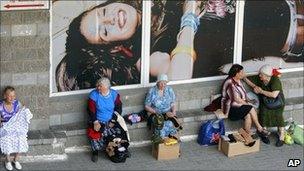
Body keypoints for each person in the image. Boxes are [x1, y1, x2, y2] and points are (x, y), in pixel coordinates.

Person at [56, 0, 143, 91]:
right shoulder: (150, 55)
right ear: (115, 48)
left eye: (104, 12)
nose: (111, 19)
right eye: (105, 31)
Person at [220, 64, 270, 144]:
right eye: (242, 72)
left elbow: (243, 93)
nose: (244, 73)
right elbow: (237, 99)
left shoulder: (237, 80)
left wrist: (249, 100)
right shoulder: (229, 83)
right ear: (237, 73)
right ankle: (260, 128)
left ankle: (247, 135)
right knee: (250, 108)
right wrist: (248, 104)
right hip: (231, 109)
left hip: (238, 105)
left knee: (248, 115)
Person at [87, 77, 129, 162]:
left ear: (107, 87)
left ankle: (119, 149)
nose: (98, 87)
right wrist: (95, 122)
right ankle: (95, 152)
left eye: (100, 86)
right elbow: (91, 110)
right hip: (98, 120)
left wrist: (113, 120)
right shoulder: (94, 95)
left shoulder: (114, 94)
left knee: (119, 131)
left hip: (112, 119)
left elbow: (118, 108)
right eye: (98, 85)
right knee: (95, 132)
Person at [243, 64, 286, 147]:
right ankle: (264, 133)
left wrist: (261, 91)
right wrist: (255, 86)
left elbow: (274, 95)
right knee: (263, 114)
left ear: (267, 76)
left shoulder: (275, 80)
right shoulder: (260, 79)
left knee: (279, 116)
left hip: (277, 102)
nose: (259, 76)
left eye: (261, 74)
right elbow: (247, 79)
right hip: (265, 101)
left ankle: (282, 136)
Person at [0, 86, 33, 171]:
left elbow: (21, 113)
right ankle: (7, 160)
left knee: (21, 137)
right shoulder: (0, 106)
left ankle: (16, 159)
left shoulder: (17, 103)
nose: (12, 98)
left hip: (16, 126)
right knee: (6, 138)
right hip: (6, 126)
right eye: (9, 96)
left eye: (13, 96)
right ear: (4, 96)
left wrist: (24, 110)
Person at [145, 74, 182, 143]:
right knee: (160, 124)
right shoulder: (152, 91)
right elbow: (147, 106)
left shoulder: (169, 89)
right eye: (161, 83)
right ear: (157, 82)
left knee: (171, 123)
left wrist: (173, 113)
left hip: (168, 113)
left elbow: (173, 103)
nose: (163, 85)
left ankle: (173, 144)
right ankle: (161, 144)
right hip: (155, 113)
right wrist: (157, 113)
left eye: (165, 83)